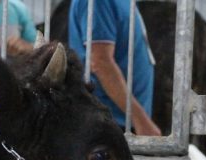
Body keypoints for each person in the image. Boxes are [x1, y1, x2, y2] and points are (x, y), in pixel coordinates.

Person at [68, 0, 161, 135]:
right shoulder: (99, 2)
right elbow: (101, 62)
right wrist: (141, 120)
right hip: (108, 125)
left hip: (122, 122)